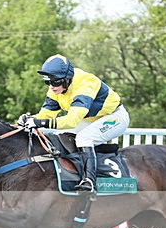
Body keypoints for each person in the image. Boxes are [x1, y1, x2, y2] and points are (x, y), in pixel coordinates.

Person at [18, 54, 130, 194]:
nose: (51, 86)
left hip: (115, 117)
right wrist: (29, 119)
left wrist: (40, 122)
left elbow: (72, 121)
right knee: (62, 135)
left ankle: (89, 181)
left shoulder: (85, 84)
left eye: (55, 82)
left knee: (84, 138)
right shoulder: (56, 88)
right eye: (48, 82)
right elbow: (46, 115)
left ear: (67, 79)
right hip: (91, 118)